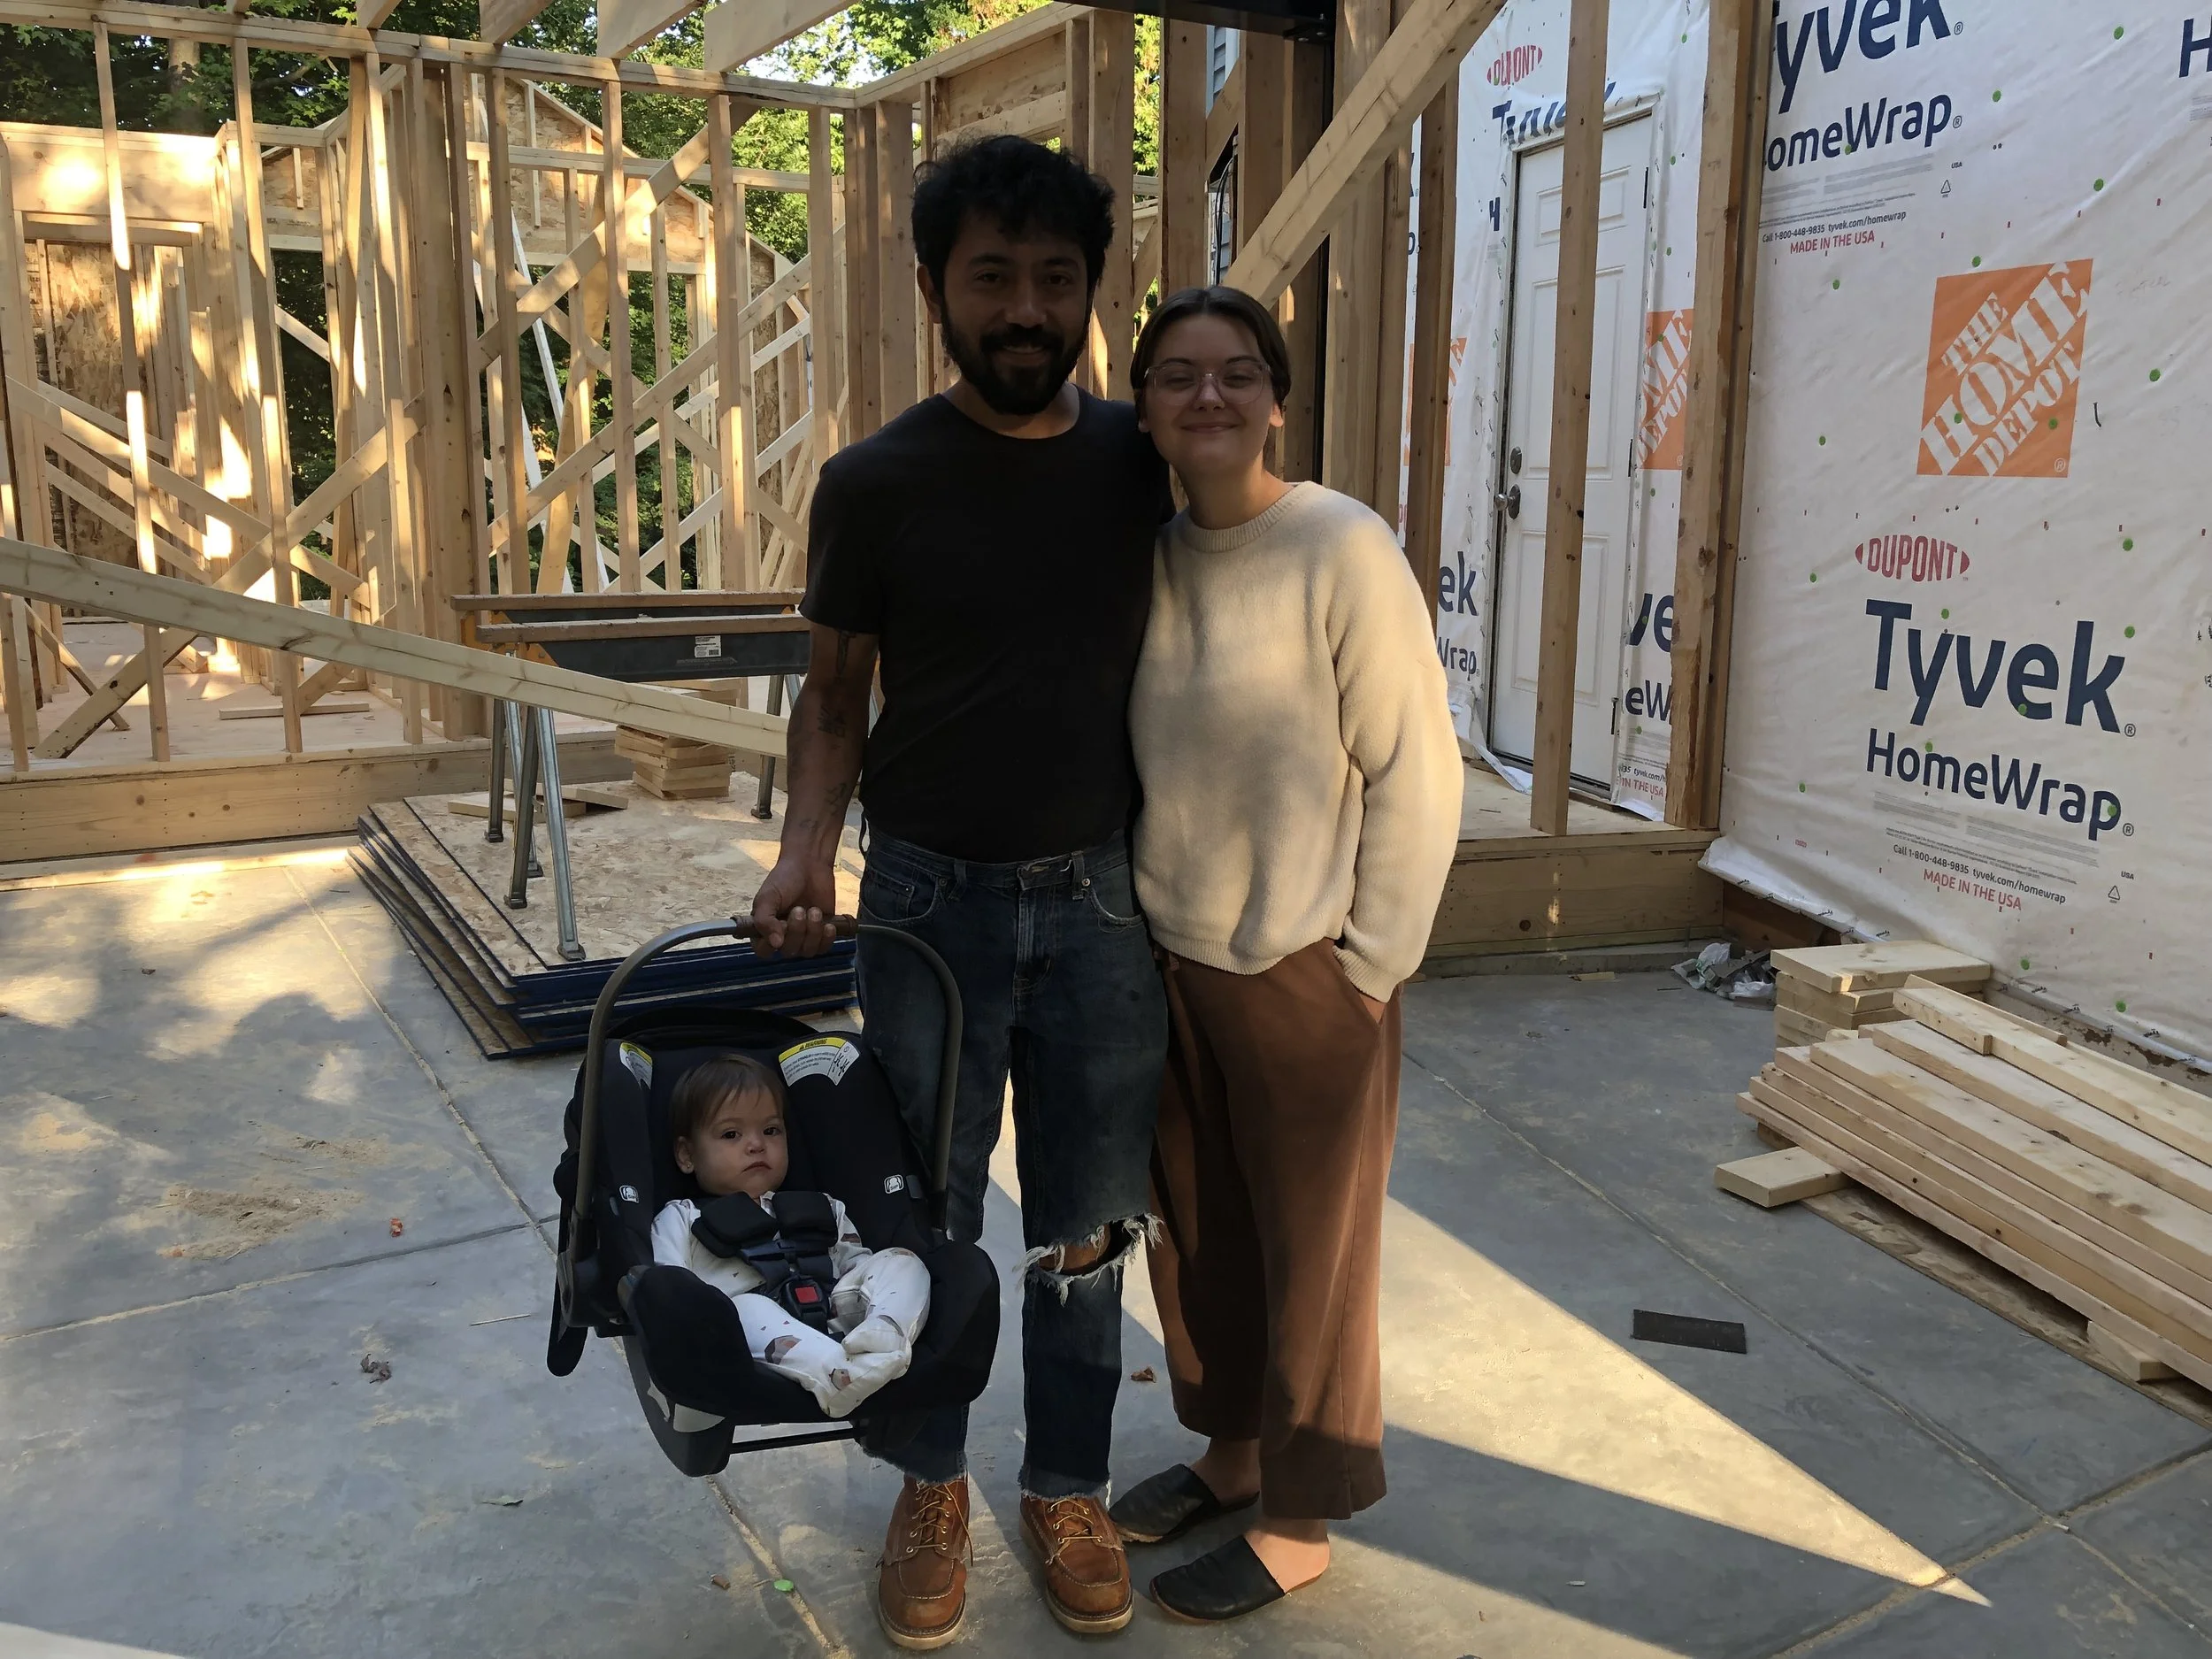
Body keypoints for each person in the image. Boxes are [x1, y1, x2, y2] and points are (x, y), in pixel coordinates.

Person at [749, 134, 1171, 1647]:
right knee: (917, 1210)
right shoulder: (873, 485)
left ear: (1091, 291)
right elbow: (833, 696)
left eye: (1056, 278)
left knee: (1087, 1221)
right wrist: (805, 849)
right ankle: (929, 1479)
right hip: (928, 906)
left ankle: (1067, 1485)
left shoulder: (1139, 462)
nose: (1026, 310)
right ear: (934, 288)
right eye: (993, 277)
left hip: (1107, 900)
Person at [1106, 287, 1462, 1624]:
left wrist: (1370, 970)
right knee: (1203, 1242)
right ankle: (1234, 1452)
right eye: (1177, 375)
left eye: (1237, 373)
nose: (1208, 396)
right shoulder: (1149, 560)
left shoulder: (1339, 547)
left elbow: (1417, 768)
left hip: (1307, 968)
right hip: (1174, 964)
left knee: (1316, 1258)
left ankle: (1301, 1512)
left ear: (1276, 400)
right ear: (1144, 405)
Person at [649, 1053, 930, 1418]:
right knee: (746, 1308)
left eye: (771, 1131)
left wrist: (876, 1287)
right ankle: (837, 1375)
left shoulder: (823, 1207)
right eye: (732, 1134)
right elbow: (671, 1289)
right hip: (746, 1336)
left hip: (835, 1311)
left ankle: (887, 1333)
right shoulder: (682, 1218)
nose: (756, 1144)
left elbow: (860, 1267)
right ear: (687, 1155)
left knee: (901, 1260)